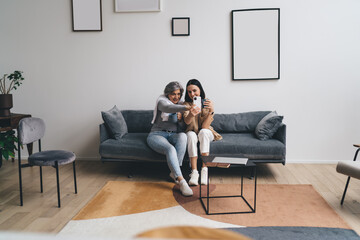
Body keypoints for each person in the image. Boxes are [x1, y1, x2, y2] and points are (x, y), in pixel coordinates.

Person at [147, 81, 193, 196]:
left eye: (178, 94)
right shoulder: (162, 101)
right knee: (170, 149)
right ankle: (181, 181)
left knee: (183, 136)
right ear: (168, 94)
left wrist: (181, 118)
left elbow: (182, 128)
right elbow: (168, 108)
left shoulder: (180, 105)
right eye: (173, 94)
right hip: (157, 134)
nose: (176, 97)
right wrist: (186, 108)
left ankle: (174, 173)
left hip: (173, 135)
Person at [183, 79, 222, 186]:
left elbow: (205, 126)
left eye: (194, 90)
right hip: (192, 132)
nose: (192, 94)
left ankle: (205, 169)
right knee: (190, 134)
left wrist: (212, 111)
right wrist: (191, 113)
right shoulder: (186, 104)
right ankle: (194, 172)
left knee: (204, 132)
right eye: (189, 92)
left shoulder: (206, 103)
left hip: (206, 133)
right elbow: (187, 122)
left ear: (200, 90)